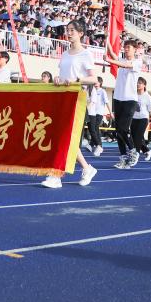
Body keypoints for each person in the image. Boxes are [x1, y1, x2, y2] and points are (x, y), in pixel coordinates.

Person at [46, 18, 99, 188]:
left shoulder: (86, 54)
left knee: (65, 138)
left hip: (77, 99)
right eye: (67, 30)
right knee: (63, 137)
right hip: (62, 98)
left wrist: (77, 79)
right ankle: (87, 168)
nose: (68, 33)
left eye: (72, 31)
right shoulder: (65, 53)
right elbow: (62, 76)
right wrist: (57, 79)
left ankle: (56, 175)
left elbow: (94, 79)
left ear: (81, 33)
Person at [104, 39, 143, 169]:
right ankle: (123, 158)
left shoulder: (137, 62)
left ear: (134, 49)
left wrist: (109, 60)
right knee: (118, 131)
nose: (126, 50)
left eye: (128, 48)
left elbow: (125, 65)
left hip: (130, 100)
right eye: (125, 47)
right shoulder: (121, 60)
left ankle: (133, 150)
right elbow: (113, 55)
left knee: (123, 129)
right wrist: (107, 42)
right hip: (118, 98)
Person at [82, 75, 109, 156]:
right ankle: (91, 144)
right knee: (90, 129)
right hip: (87, 112)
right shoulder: (86, 89)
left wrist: (86, 110)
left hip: (92, 113)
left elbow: (92, 102)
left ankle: (98, 145)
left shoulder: (94, 90)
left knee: (93, 130)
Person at [132, 77, 151, 161]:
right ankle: (147, 151)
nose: (138, 84)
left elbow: (150, 109)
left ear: (144, 85)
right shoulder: (133, 94)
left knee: (138, 136)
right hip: (134, 118)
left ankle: (136, 154)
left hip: (143, 118)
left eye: (140, 83)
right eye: (137, 83)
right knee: (134, 137)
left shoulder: (147, 96)